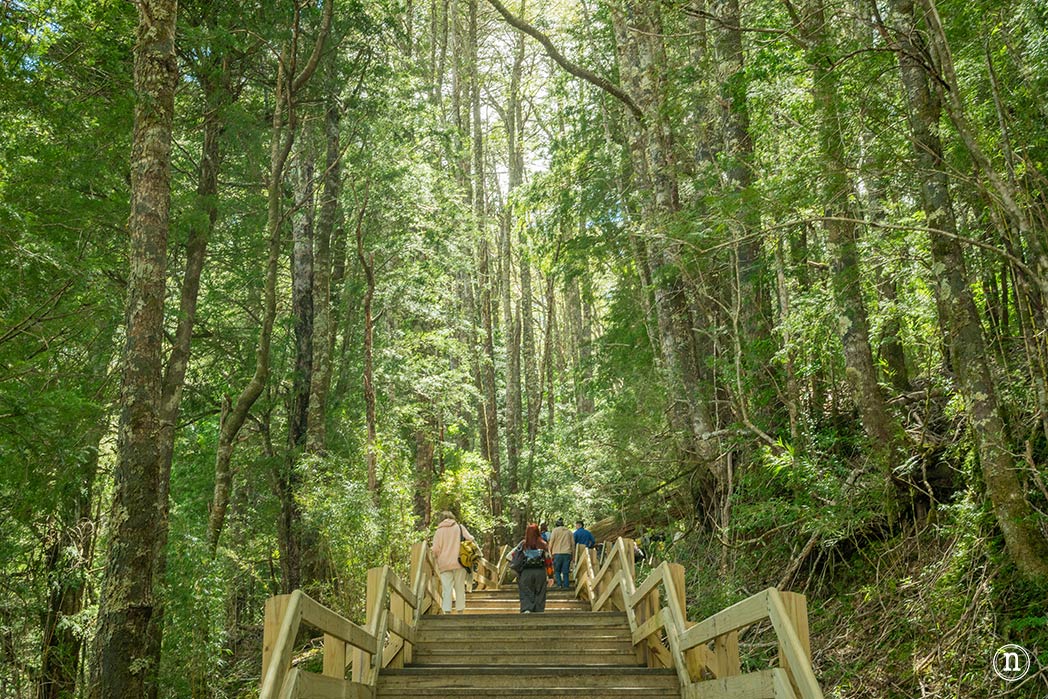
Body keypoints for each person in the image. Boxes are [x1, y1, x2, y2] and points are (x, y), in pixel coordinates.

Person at [431, 510, 475, 614]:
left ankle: (447, 611)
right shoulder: (459, 527)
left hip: (444, 564)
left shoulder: (439, 531)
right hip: (460, 562)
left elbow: (435, 549)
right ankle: (460, 611)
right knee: (459, 587)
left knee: (447, 588)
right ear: (452, 517)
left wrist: (435, 558)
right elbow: (470, 539)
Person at [515, 523, 550, 613]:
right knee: (540, 593)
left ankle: (527, 608)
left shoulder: (523, 544)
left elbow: (514, 557)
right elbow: (548, 561)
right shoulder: (543, 544)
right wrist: (551, 576)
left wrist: (518, 571)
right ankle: (538, 611)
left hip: (526, 572)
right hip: (540, 572)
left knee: (526, 592)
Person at [548, 518, 574, 589]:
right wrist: (573, 555)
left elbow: (551, 542)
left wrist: (550, 553)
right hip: (567, 553)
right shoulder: (569, 532)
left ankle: (559, 584)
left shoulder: (555, 531)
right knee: (565, 570)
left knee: (557, 571)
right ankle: (566, 585)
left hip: (557, 553)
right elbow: (572, 544)